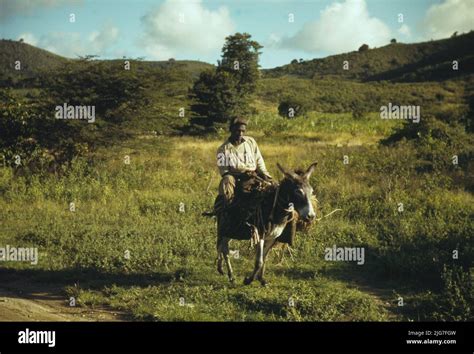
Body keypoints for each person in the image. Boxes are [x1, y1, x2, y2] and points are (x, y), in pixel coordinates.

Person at [216, 117, 273, 206]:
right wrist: (242, 175)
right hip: (236, 178)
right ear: (231, 130)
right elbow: (224, 172)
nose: (240, 133)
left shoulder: (251, 141)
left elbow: (259, 160)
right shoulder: (222, 149)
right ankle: (228, 207)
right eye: (237, 131)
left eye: (243, 131)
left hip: (254, 175)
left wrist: (265, 175)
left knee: (273, 189)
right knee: (227, 180)